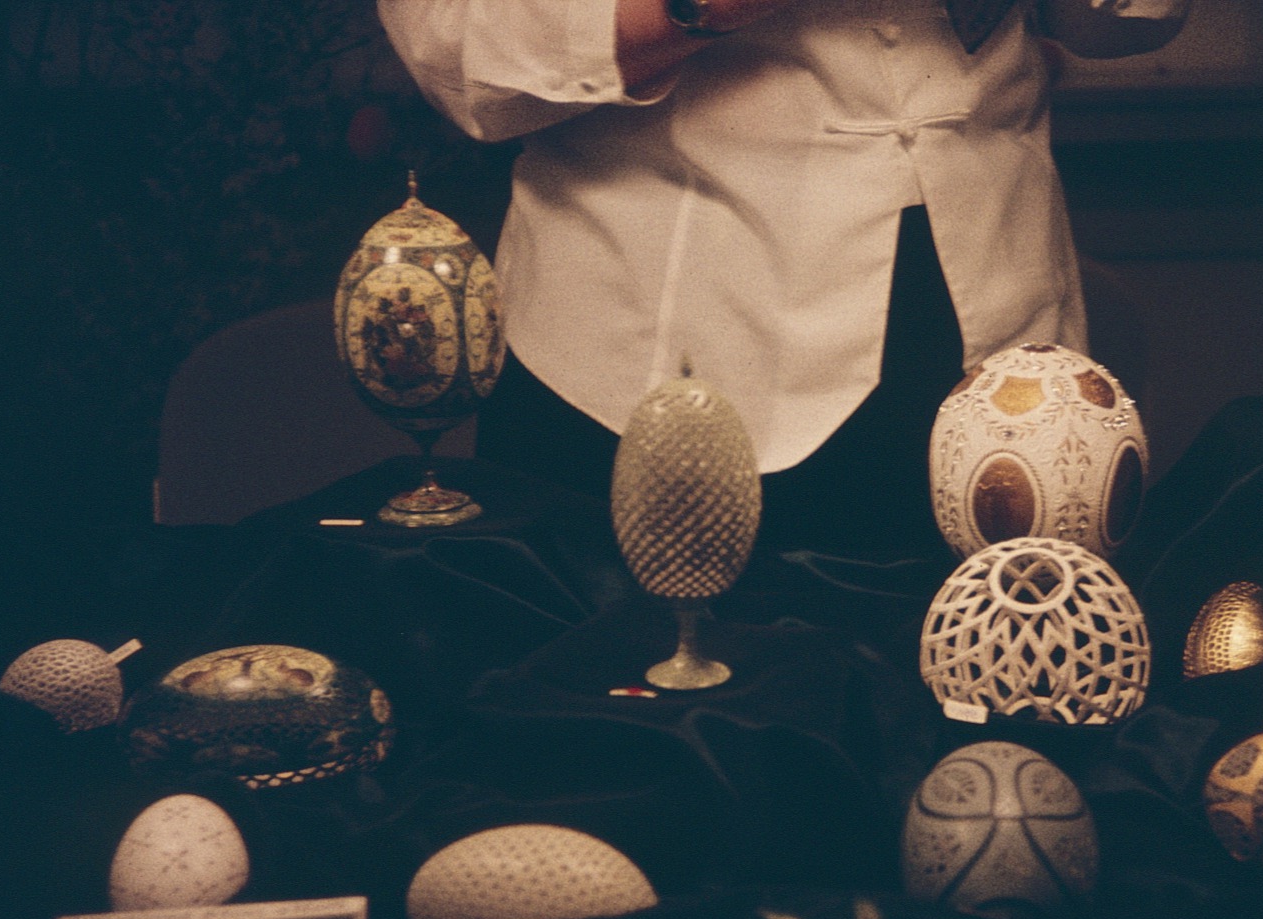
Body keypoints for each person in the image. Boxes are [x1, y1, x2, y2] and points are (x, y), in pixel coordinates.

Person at [378, 0, 1191, 554]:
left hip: (1002, 337)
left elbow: (1133, 17)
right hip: (649, 364)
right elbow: (459, 55)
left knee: (1000, 767)